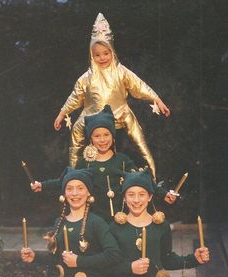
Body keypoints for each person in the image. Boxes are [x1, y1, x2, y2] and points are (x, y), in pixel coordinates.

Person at [53, 13, 170, 181]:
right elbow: (75, 97)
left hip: (120, 113)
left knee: (140, 141)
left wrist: (156, 99)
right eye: (97, 55)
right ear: (91, 55)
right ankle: (73, 177)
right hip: (92, 115)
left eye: (106, 53)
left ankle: (151, 176)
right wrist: (62, 113)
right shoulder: (86, 78)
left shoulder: (121, 72)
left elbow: (139, 86)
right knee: (76, 134)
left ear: (112, 52)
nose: (102, 58)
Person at [32, 105, 176, 223]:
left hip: (119, 220)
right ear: (91, 139)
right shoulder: (84, 163)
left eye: (106, 135)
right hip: (93, 221)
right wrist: (42, 185)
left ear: (113, 137)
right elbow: (65, 181)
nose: (102, 140)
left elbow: (143, 180)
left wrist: (164, 194)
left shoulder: (123, 161)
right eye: (97, 136)